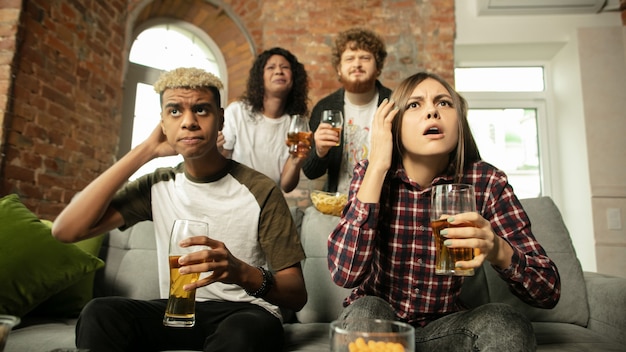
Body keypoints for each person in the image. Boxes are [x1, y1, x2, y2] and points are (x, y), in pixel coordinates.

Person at [52, 67, 307, 352]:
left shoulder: (260, 190)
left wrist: (241, 272)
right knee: (100, 313)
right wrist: (146, 150)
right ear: (162, 123)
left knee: (243, 334)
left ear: (221, 119)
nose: (188, 122)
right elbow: (66, 230)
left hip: (244, 313)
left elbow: (296, 294)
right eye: (174, 111)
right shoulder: (157, 185)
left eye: (201, 109)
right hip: (178, 313)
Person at [327, 71, 561, 351]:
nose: (432, 112)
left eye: (444, 103)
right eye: (415, 105)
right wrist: (377, 164)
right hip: (380, 323)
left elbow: (548, 291)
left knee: (505, 320)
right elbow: (345, 274)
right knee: (366, 312)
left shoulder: (486, 183)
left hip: (445, 327)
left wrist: (498, 249)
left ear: (459, 122)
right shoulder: (370, 175)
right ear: (394, 123)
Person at [303, 27, 392, 194]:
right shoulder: (325, 107)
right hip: (338, 206)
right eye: (350, 58)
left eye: (365, 58)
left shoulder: (394, 104)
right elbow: (310, 172)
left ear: (378, 67)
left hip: (385, 202)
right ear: (339, 68)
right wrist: (320, 151)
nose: (357, 64)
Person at [221, 47, 310, 193]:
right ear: (260, 78)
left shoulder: (296, 124)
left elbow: (287, 187)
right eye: (270, 67)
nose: (278, 71)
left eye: (285, 67)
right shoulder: (237, 112)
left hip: (269, 202)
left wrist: (296, 162)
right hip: (233, 197)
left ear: (294, 78)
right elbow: (219, 162)